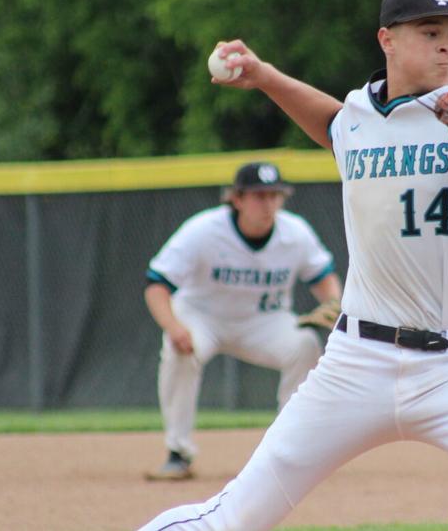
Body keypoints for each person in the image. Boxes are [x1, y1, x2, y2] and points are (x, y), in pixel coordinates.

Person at [136, 0, 448, 530]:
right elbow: (332, 125)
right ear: (386, 40)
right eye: (430, 32)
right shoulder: (357, 116)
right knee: (235, 516)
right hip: (355, 363)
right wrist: (265, 76)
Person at [144, 161, 343, 480]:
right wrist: (174, 327)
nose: (268, 203)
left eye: (274, 195)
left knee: (304, 345)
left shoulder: (295, 232)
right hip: (203, 318)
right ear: (236, 199)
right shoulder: (203, 230)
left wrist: (333, 303)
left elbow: (323, 278)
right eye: (259, 196)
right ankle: (178, 452)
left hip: (263, 322)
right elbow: (156, 285)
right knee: (178, 350)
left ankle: (290, 447)